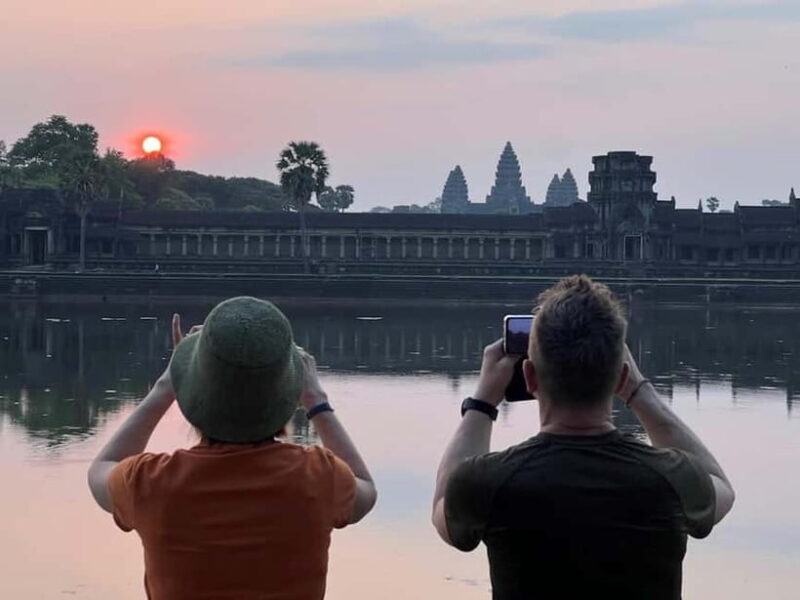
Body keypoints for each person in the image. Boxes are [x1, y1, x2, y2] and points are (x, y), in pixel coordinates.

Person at [432, 275, 735, 600]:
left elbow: (443, 510)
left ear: (530, 376)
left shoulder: (490, 481)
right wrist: (639, 391)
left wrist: (482, 403)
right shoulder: (671, 478)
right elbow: (721, 488)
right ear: (621, 375)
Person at [87, 296, 377, 600]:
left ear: (193, 393)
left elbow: (102, 467)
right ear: (287, 392)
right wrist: (317, 401)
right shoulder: (317, 476)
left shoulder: (151, 482)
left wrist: (167, 386)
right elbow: (366, 490)